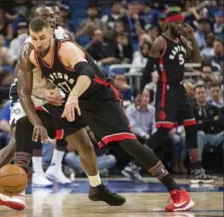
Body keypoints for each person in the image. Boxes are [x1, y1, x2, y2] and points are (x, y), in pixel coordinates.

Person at [13, 17, 194, 212]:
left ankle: (177, 192)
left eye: (42, 38)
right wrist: (46, 92)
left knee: (130, 145)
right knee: (26, 122)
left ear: (50, 34)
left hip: (101, 99)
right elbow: (33, 87)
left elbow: (87, 72)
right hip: (76, 101)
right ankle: (16, 192)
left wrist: (73, 95)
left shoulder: (65, 48)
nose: (38, 43)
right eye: (34, 38)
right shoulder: (33, 55)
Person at [0, 6, 124, 212]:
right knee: (16, 142)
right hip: (28, 95)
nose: (52, 19)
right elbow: (23, 88)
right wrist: (42, 96)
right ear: (36, 22)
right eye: (46, 16)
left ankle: (96, 186)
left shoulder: (64, 37)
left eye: (53, 16)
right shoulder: (29, 47)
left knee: (83, 142)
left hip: (54, 96)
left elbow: (75, 69)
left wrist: (67, 94)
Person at [140, 8, 213, 184]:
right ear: (168, 23)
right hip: (166, 89)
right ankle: (134, 164)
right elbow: (148, 69)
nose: (180, 26)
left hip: (180, 89)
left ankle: (196, 168)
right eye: (176, 23)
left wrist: (193, 37)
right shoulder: (160, 42)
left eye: (181, 22)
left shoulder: (181, 40)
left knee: (192, 127)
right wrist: (141, 91)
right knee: (164, 131)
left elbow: (197, 59)